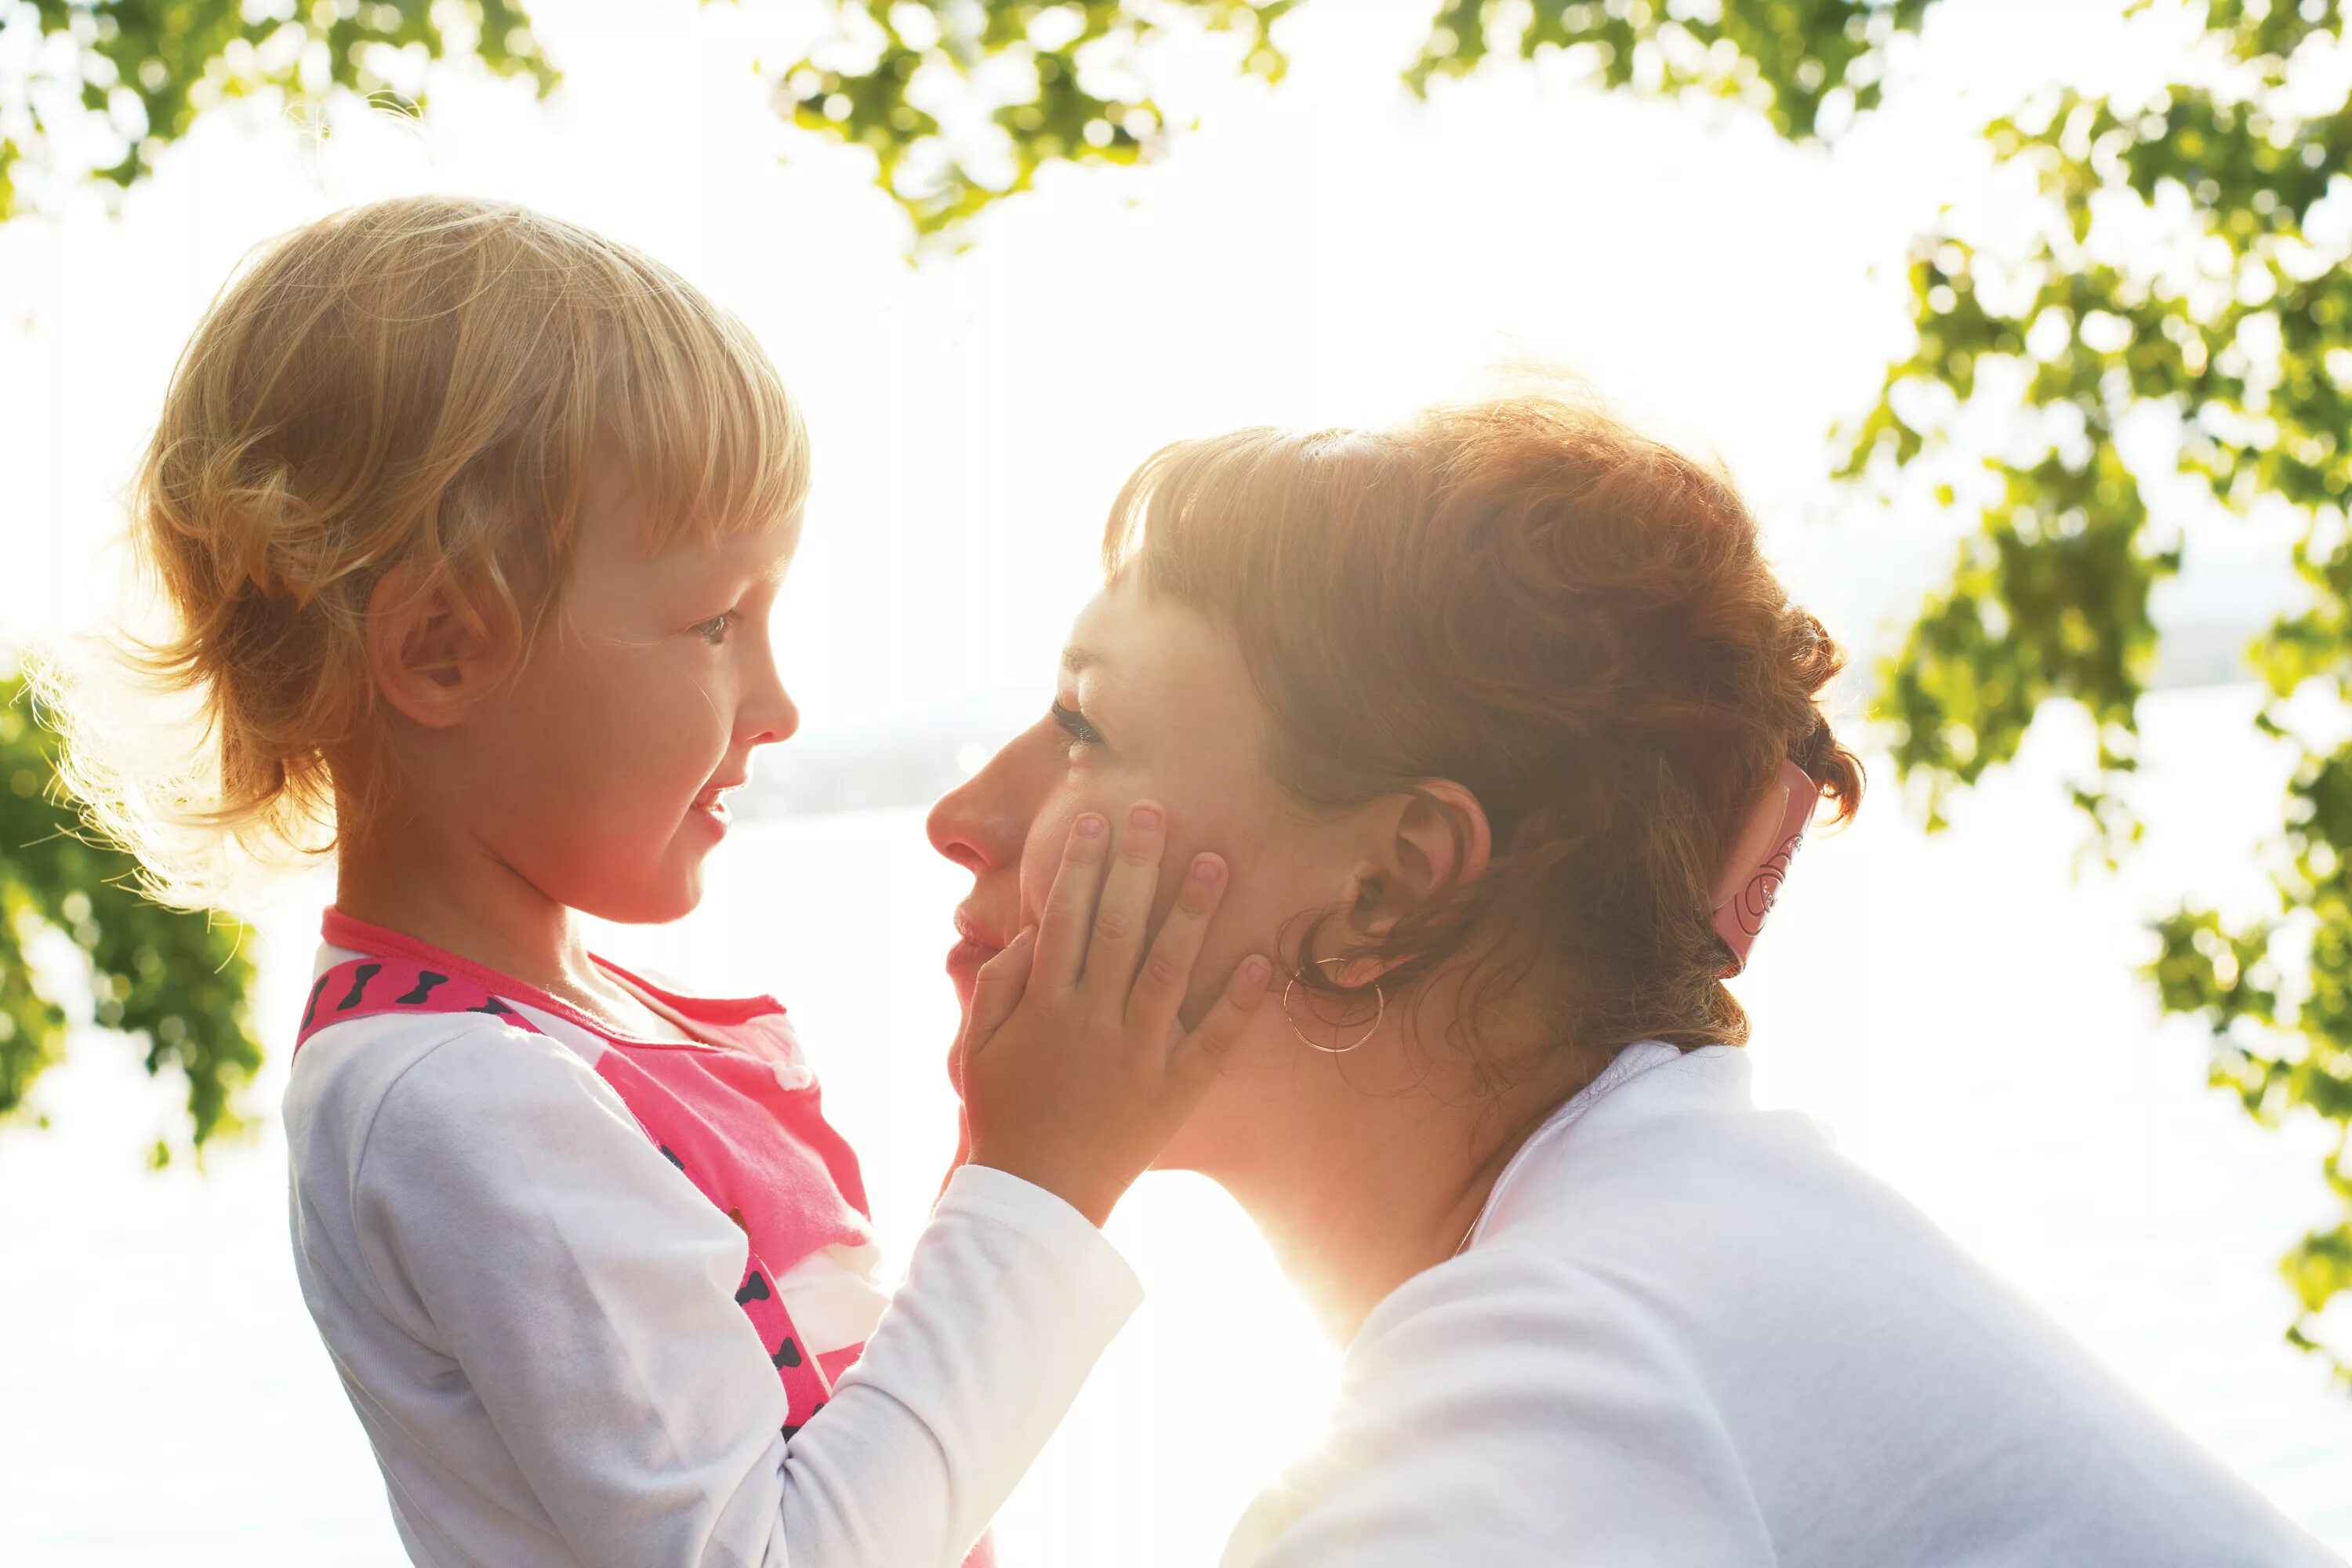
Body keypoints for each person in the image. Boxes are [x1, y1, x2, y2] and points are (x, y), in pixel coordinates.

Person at [51, 194, 1272, 1568]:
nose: (778, 704)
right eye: (716, 623)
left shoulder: (566, 1051)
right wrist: (1045, 1187)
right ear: (443, 648)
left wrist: (1005, 1152)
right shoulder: (458, 1097)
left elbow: (849, 1449)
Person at [926, 393, 2342, 1566]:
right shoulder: (1685, 1250)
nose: (963, 813)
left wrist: (1012, 1231)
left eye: (1085, 725)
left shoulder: (1562, 1377)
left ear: (1391, 883)